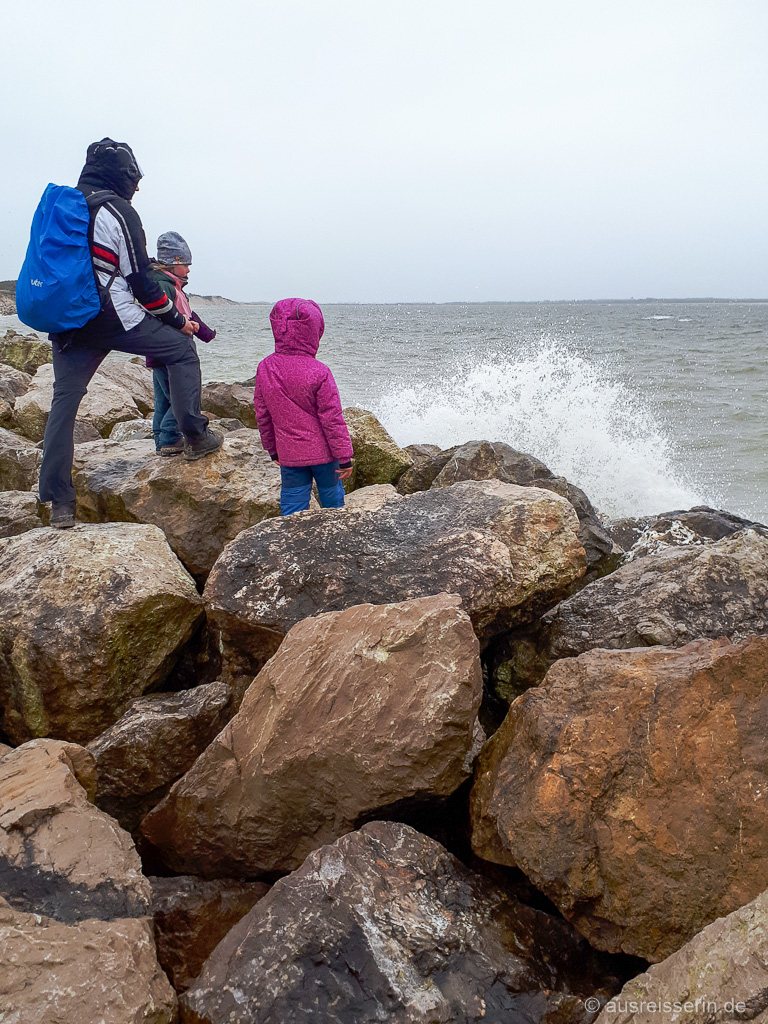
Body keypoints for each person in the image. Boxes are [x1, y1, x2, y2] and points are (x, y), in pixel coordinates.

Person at [38, 138, 222, 528]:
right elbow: (142, 284)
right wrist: (177, 321)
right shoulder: (119, 211)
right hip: (110, 315)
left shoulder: (63, 205)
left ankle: (60, 504)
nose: (136, 187)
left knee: (64, 406)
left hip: (68, 319)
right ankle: (194, 436)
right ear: (122, 176)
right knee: (181, 350)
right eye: (134, 178)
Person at [254, 298, 353, 515]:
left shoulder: (265, 368)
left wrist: (272, 449)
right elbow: (332, 418)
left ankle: (290, 543)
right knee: (333, 502)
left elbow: (262, 414)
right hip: (325, 455)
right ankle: (336, 538)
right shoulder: (320, 371)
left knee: (293, 504)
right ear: (314, 332)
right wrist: (344, 457)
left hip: (290, 454)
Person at [146, 231, 216, 455]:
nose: (188, 270)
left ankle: (161, 440)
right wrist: (188, 327)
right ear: (173, 263)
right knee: (178, 397)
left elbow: (188, 314)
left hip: (156, 354)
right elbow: (168, 316)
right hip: (170, 354)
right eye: (185, 264)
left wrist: (206, 333)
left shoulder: (170, 285)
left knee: (163, 400)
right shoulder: (164, 285)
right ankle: (169, 439)